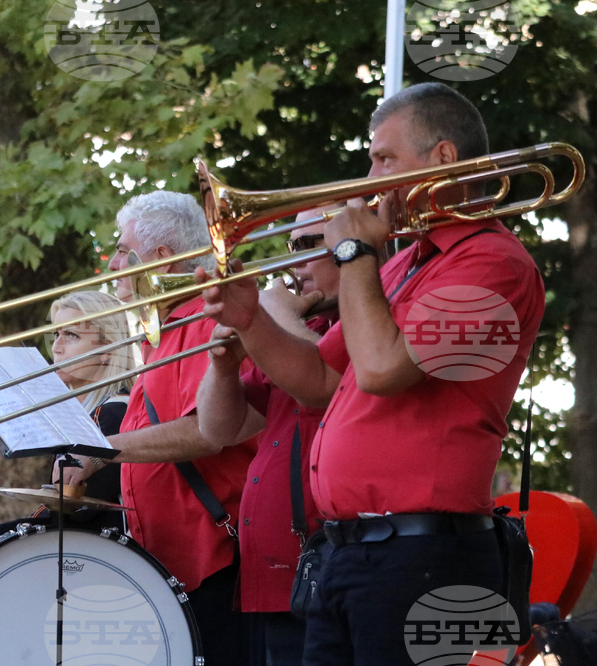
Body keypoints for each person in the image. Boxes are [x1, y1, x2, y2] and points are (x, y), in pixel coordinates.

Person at [199, 82, 544, 665]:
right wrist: (249, 318)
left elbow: (384, 369)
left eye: (384, 159)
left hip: (425, 558)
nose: (370, 179)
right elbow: (320, 381)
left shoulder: (495, 262)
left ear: (443, 157)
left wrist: (355, 256)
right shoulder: (406, 262)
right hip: (351, 554)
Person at [60, 190, 258, 666]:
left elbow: (203, 433)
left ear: (162, 259)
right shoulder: (163, 334)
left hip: (213, 561)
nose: (113, 266)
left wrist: (99, 450)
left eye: (123, 252)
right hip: (173, 563)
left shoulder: (201, 324)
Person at [196, 208, 341, 666]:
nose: (295, 264)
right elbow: (219, 429)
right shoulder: (305, 330)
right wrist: (223, 363)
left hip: (330, 571)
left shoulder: (367, 326)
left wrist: (269, 318)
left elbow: (330, 384)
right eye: (292, 247)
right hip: (276, 578)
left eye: (309, 245)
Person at [49, 290, 135, 530]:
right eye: (56, 334)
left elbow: (74, 515)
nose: (56, 347)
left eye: (71, 335)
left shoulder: (114, 414)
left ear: (107, 350)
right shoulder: (85, 415)